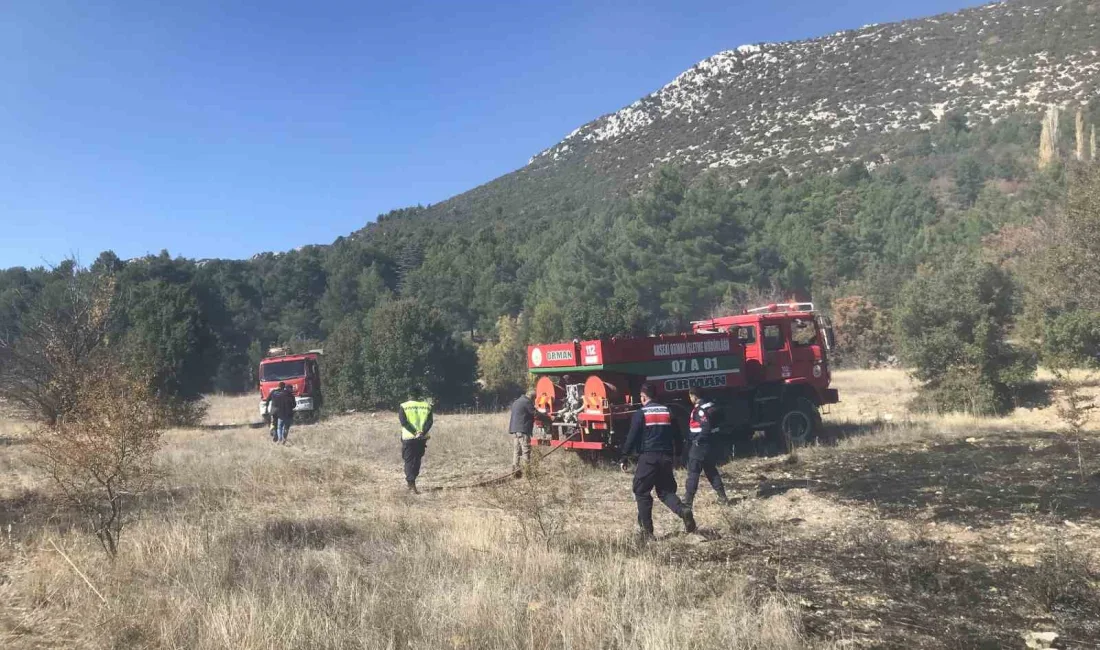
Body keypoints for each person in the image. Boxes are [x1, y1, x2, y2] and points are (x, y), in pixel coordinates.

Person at [619, 382, 696, 539]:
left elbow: (632, 437)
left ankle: (647, 532)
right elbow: (677, 435)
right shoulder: (668, 411)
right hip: (666, 457)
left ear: (643, 397)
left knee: (641, 492)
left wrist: (624, 456)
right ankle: (684, 511)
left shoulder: (641, 413)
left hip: (648, 458)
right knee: (666, 492)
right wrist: (679, 454)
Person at [684, 387, 729, 507]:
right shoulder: (710, 406)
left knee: (693, 472)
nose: (690, 399)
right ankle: (723, 497)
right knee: (711, 470)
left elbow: (706, 427)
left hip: (700, 445)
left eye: (690, 396)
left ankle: (687, 502)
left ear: (694, 396)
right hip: (710, 445)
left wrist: (698, 440)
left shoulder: (700, 410)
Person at [398, 396, 434, 494]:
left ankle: (411, 482)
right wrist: (421, 433)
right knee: (417, 459)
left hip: (408, 437)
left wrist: (414, 432)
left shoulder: (404, 406)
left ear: (409, 396)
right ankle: (412, 479)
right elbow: (430, 422)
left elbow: (404, 422)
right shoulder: (427, 406)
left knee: (409, 460)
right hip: (422, 438)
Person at [508, 388, 548, 476]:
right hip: (523, 430)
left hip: (515, 430)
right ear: (532, 397)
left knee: (517, 451)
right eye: (534, 399)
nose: (534, 401)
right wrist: (547, 417)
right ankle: (527, 473)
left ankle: (515, 471)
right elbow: (535, 414)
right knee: (526, 451)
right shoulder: (527, 402)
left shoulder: (517, 401)